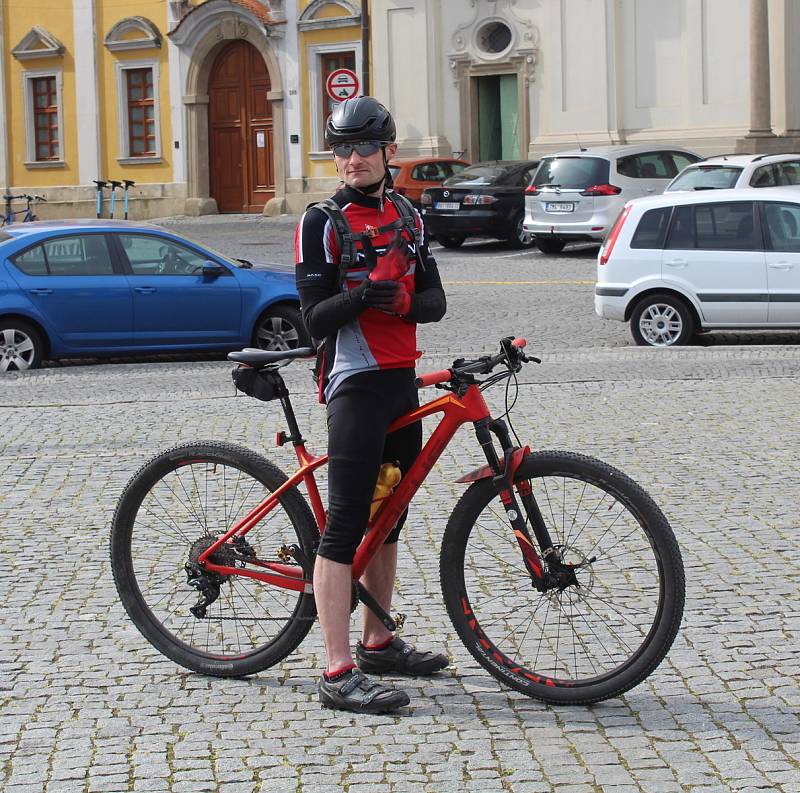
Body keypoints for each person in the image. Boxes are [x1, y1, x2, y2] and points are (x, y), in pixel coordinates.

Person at [294, 96, 448, 714]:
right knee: (345, 528)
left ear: (388, 153)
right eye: (341, 150)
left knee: (391, 520)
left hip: (399, 379)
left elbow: (435, 301)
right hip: (354, 382)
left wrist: (402, 303)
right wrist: (363, 297)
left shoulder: (409, 215)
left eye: (363, 149)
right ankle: (336, 671)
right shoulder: (322, 222)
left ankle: (378, 640)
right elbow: (311, 320)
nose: (352, 160)